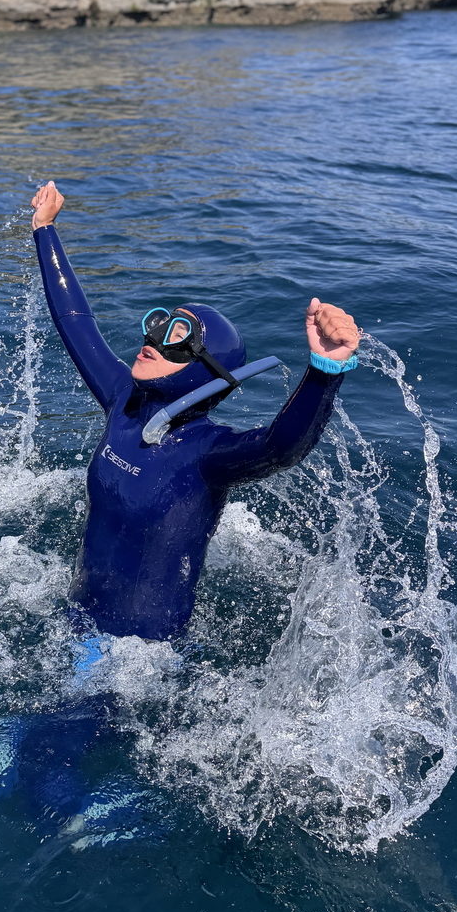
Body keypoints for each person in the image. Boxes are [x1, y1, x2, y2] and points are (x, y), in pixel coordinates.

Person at [30, 180, 361, 642]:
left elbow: (281, 446)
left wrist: (326, 367)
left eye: (177, 339)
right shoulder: (124, 401)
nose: (153, 341)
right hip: (74, 619)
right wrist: (45, 230)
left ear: (207, 371)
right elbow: (74, 321)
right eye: (158, 326)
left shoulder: (206, 453)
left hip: (136, 660)